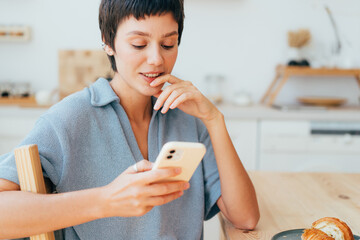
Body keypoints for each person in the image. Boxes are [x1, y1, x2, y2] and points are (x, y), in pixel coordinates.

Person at [0, 0, 260, 239]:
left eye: (168, 44)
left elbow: (246, 218)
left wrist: (214, 119)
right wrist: (105, 200)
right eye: (139, 44)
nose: (157, 59)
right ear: (108, 42)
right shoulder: (70, 118)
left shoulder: (189, 117)